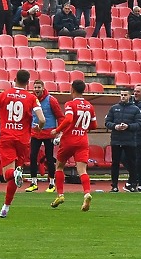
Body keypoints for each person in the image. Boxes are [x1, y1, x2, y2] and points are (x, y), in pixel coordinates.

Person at [0, 70, 45, 218]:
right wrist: (38, 127)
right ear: (27, 82)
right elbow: (42, 119)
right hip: (23, 139)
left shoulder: (4, 94)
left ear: (14, 79)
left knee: (9, 174)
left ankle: (14, 174)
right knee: (15, 174)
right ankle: (6, 207)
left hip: (7, 137)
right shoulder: (31, 97)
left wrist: (4, 122)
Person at [49, 80, 97, 211]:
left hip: (69, 140)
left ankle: (60, 195)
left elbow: (69, 119)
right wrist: (82, 128)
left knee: (59, 166)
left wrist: (57, 130)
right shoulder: (89, 106)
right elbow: (94, 125)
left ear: (72, 89)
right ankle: (87, 193)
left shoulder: (70, 104)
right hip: (83, 140)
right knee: (82, 170)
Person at [24, 80, 63, 193]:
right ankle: (34, 183)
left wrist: (59, 131)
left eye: (38, 87)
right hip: (35, 133)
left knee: (50, 158)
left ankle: (51, 184)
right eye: (35, 87)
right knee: (32, 157)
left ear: (43, 88)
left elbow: (60, 116)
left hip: (48, 133)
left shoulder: (51, 100)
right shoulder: (31, 99)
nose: (36, 89)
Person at [105, 89, 141, 192]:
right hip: (116, 140)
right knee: (115, 163)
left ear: (130, 96)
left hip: (130, 141)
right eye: (121, 95)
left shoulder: (135, 109)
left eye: (125, 95)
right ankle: (114, 186)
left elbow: (139, 124)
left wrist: (128, 126)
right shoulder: (114, 108)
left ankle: (133, 184)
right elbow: (107, 122)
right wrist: (115, 126)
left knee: (132, 163)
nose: (123, 97)